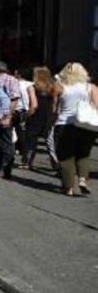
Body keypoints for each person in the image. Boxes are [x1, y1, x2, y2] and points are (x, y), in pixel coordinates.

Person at [53, 62, 98, 196]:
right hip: (87, 125)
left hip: (65, 125)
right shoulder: (91, 87)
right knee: (83, 153)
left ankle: (69, 188)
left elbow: (54, 108)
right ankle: (82, 179)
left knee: (66, 157)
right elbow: (97, 106)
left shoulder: (60, 86)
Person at [0, 62, 22, 179]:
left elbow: (14, 99)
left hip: (6, 115)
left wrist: (8, 117)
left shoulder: (11, 80)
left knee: (6, 143)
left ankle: (6, 169)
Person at [22, 66, 57, 170]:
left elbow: (34, 106)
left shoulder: (32, 87)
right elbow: (55, 104)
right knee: (50, 142)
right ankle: (56, 164)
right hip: (49, 116)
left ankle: (28, 162)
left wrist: (25, 117)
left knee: (31, 140)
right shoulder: (54, 87)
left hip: (36, 117)